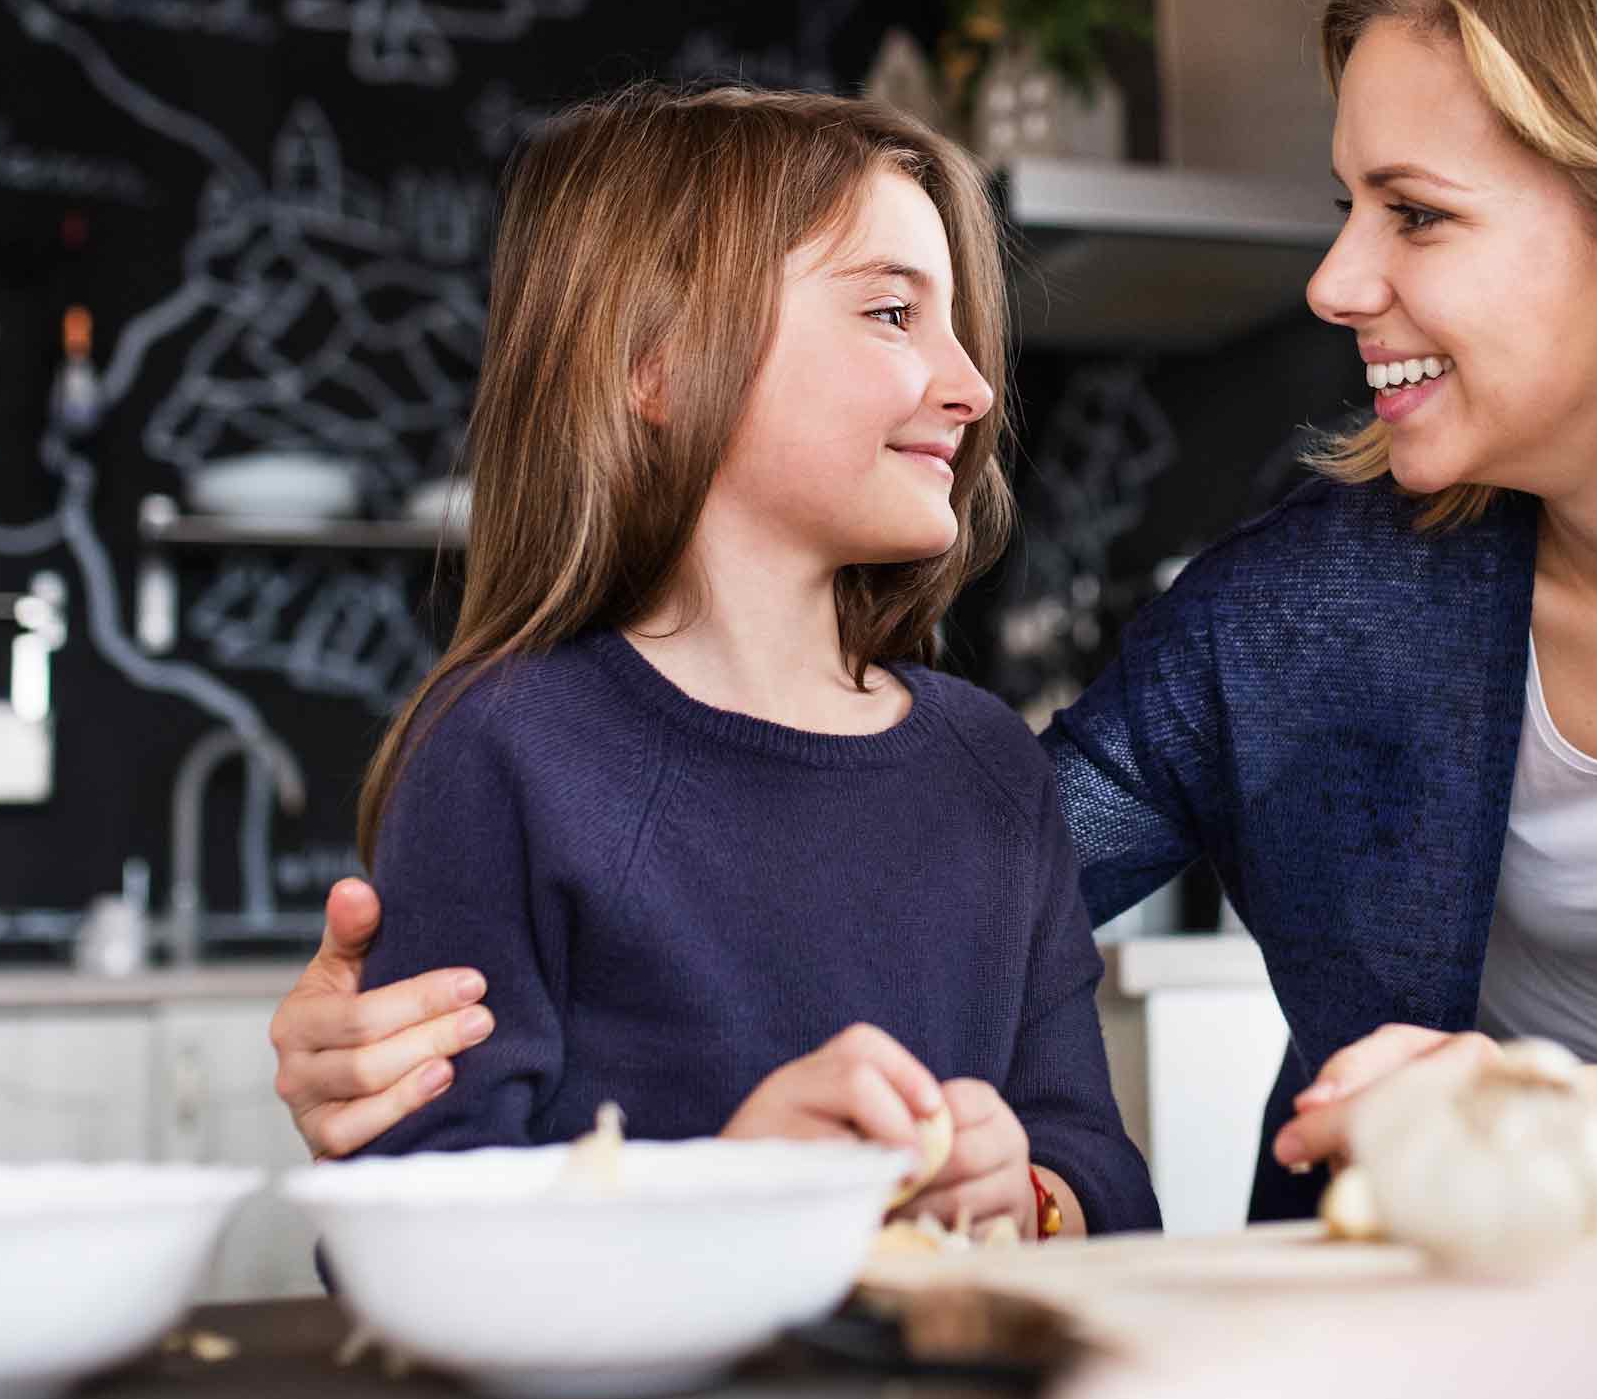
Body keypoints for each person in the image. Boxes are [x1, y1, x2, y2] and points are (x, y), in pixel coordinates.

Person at [269, 0, 1597, 1222]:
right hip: (1430, 1318)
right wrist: (432, 1068)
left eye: (1413, 213)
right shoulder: (1303, 607)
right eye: (1348, 204)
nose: (1338, 280)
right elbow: (921, 869)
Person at [322, 82, 1155, 1240]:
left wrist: (1027, 1192)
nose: (972, 388)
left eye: (960, 324)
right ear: (653, 365)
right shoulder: (503, 748)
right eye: (892, 314)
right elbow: (395, 1234)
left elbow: (1102, 1178)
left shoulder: (990, 766)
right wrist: (725, 1194)